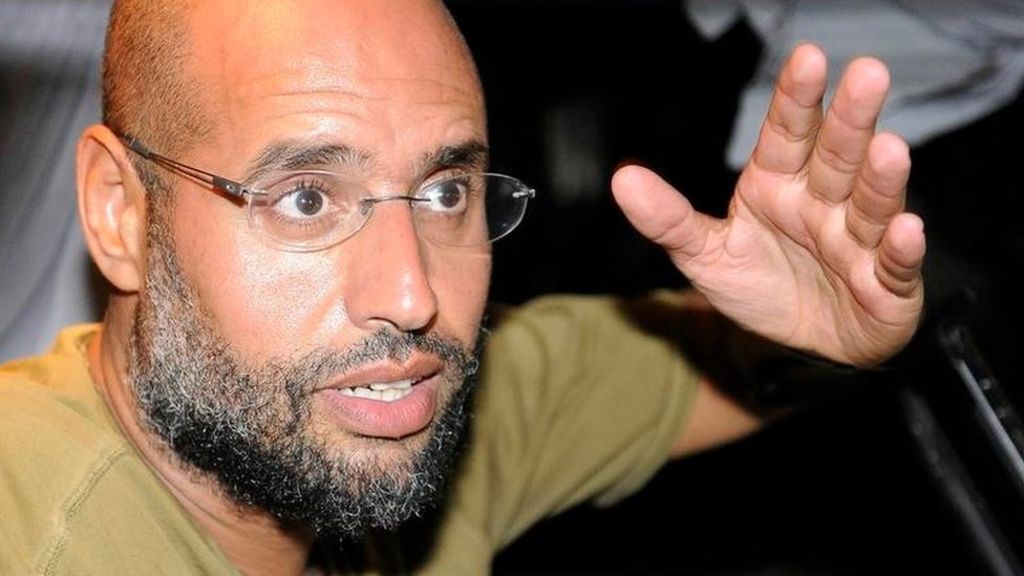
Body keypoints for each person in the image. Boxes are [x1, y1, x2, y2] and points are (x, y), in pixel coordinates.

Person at [0, 0, 926, 574]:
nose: (413, 296)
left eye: (446, 192)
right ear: (120, 212)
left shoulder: (388, 414)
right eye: (308, 198)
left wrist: (811, 323)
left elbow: (689, 365)